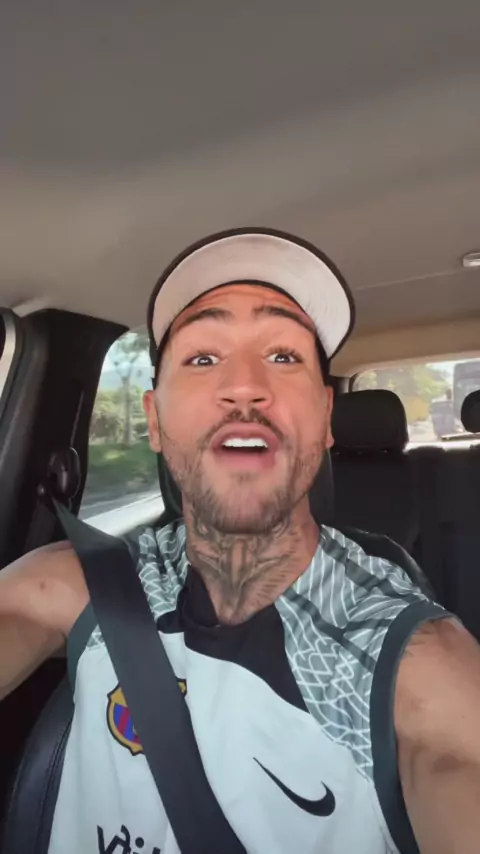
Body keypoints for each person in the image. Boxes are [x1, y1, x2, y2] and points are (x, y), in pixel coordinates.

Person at [1, 227, 480, 854]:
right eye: (203, 359)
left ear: (325, 416)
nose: (246, 385)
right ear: (154, 420)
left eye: (283, 356)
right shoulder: (84, 582)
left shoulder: (401, 657)